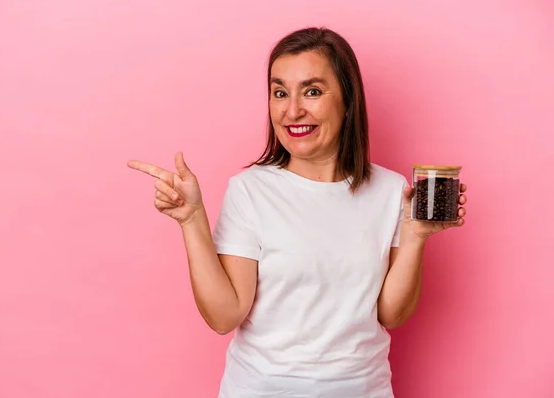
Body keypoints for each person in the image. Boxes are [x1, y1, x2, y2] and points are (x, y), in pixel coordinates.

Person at [127, 27, 467, 398]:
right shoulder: (250, 191)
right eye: (279, 93)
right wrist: (192, 220)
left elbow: (391, 315)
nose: (292, 110)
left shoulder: (391, 192)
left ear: (348, 100)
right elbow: (224, 316)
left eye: (313, 91)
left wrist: (416, 236)